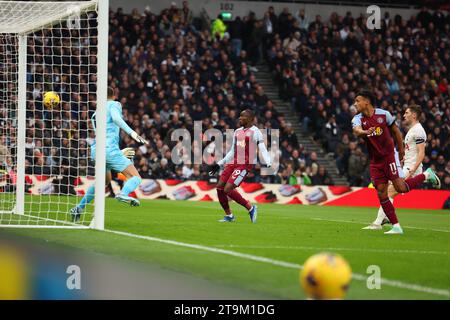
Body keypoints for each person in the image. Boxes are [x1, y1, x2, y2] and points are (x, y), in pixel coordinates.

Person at [351, 91, 440, 235]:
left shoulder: (384, 115)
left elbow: (396, 132)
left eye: (357, 100)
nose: (355, 104)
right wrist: (365, 132)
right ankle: (396, 226)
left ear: (366, 101)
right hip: (375, 161)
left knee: (400, 187)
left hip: (389, 157)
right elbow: (356, 131)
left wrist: (400, 150)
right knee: (382, 193)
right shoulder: (358, 119)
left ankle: (426, 175)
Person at [70, 87, 148, 222]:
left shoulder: (96, 112)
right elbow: (117, 119)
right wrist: (133, 133)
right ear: (114, 95)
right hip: (109, 150)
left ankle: (79, 208)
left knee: (103, 181)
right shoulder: (114, 104)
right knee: (135, 177)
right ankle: (123, 194)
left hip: (96, 150)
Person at [363, 105, 433, 230]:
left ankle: (427, 175)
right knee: (389, 191)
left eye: (406, 113)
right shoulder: (411, 130)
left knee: (389, 191)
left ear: (414, 115)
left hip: (412, 168)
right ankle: (383, 219)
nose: (404, 115)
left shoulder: (418, 130)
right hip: (406, 166)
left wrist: (413, 169)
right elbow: (409, 151)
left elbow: (421, 153)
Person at [208, 109, 271, 223]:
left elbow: (262, 147)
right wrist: (219, 164)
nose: (240, 118)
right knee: (219, 188)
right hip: (233, 162)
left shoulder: (255, 132)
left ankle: (251, 208)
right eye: (240, 116)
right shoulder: (237, 131)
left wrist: (268, 161)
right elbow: (232, 151)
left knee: (228, 189)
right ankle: (229, 216)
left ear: (251, 119)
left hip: (245, 164)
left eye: (243, 117)